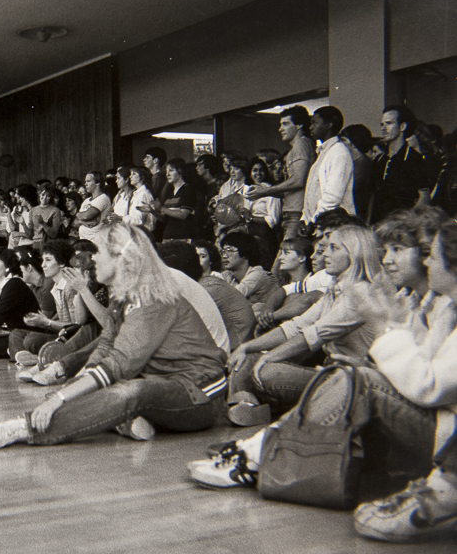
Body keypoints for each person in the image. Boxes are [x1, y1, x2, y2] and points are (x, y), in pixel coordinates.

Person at [188, 220, 457, 544]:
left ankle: (261, 446)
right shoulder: (418, 302)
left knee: (341, 375)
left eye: (405, 251)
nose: (426, 262)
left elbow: (428, 385)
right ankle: (257, 438)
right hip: (385, 396)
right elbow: (301, 317)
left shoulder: (372, 293)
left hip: (437, 435)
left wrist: (385, 326)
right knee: (310, 370)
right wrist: (254, 345)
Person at [0, 223, 228, 449]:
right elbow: (105, 346)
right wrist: (68, 391)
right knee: (80, 393)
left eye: (100, 252)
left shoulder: (152, 297)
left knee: (130, 390)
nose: (93, 258)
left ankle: (26, 428)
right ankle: (123, 420)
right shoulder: (123, 296)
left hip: (201, 394)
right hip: (162, 382)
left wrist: (62, 399)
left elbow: (118, 363)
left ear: (122, 259)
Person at [225, 225, 385, 425]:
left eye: (334, 248)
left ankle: (266, 407)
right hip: (329, 373)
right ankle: (245, 407)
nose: (325, 254)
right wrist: (246, 346)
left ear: (354, 253)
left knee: (269, 371)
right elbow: (295, 326)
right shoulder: (335, 291)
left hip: (349, 381)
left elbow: (310, 336)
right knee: (248, 357)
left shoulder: (361, 293)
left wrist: (268, 358)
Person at [246, 106, 314, 240]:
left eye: (286, 124)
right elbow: (292, 188)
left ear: (299, 125)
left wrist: (266, 191)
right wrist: (264, 190)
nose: (280, 129)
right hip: (293, 211)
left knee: (287, 255)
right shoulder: (300, 146)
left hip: (296, 212)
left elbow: (298, 180)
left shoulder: (301, 144)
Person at [371, 105, 430, 223]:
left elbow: (424, 196)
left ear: (402, 126)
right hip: (379, 226)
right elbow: (373, 197)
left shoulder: (414, 159)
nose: (384, 128)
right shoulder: (380, 160)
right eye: (382, 124)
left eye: (389, 123)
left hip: (402, 228)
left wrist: (406, 223)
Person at [302, 106, 355, 225]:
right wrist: (305, 218)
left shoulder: (339, 152)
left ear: (329, 125)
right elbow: (311, 192)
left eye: (315, 123)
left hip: (333, 224)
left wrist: (314, 221)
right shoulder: (323, 152)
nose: (311, 127)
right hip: (319, 222)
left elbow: (333, 197)